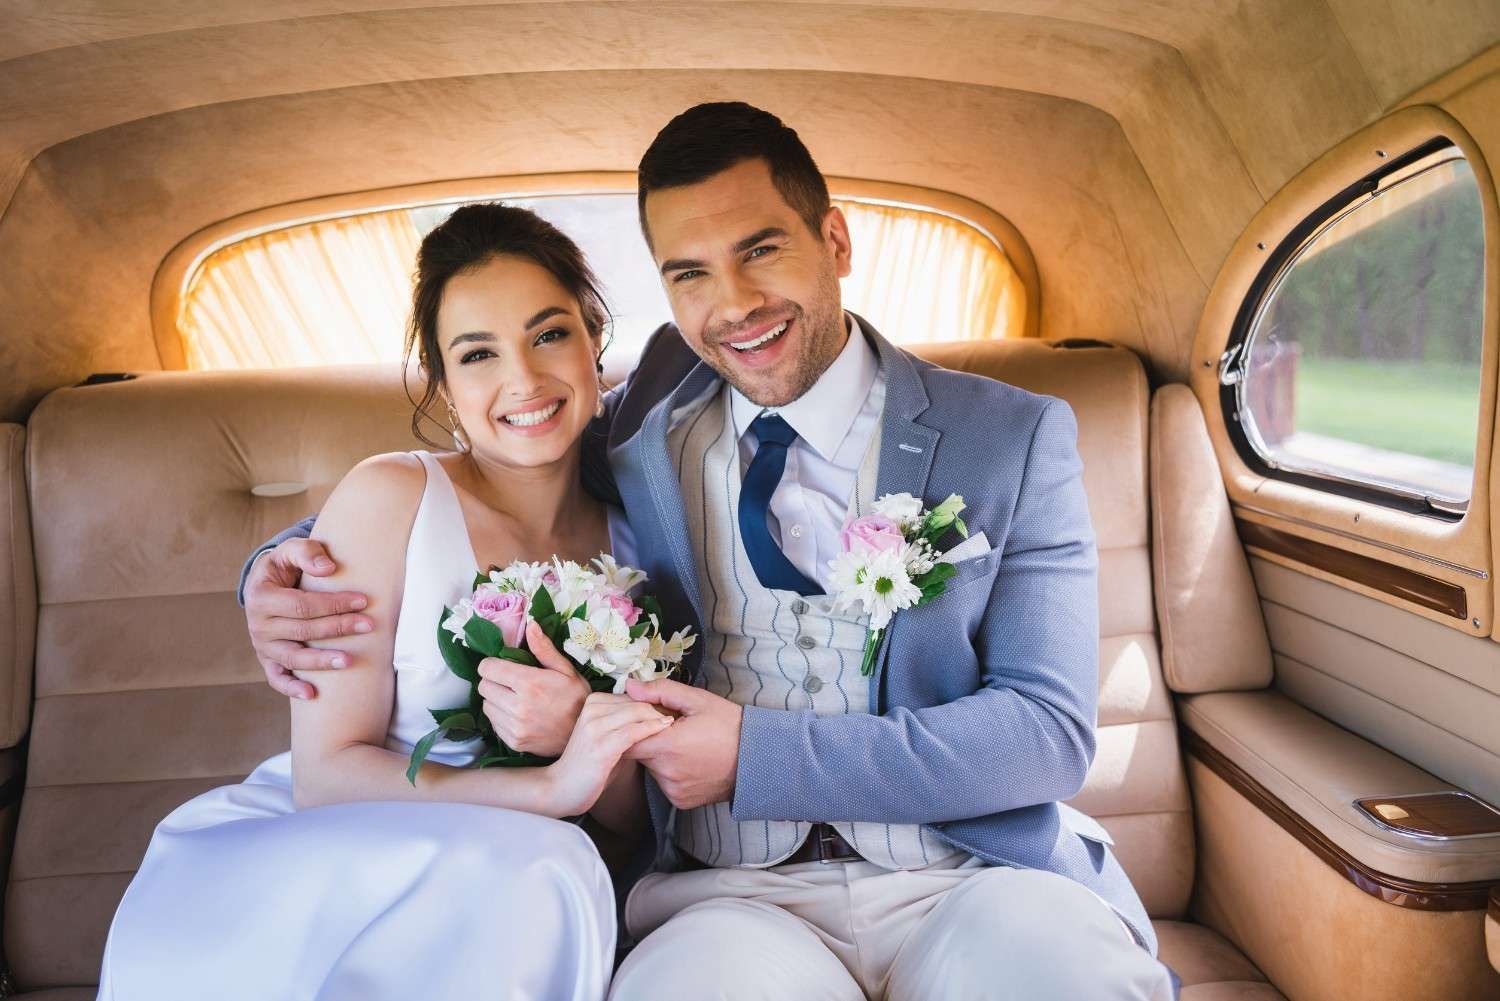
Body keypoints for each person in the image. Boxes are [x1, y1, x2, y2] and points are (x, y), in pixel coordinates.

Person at [244, 102, 1178, 999]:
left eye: (761, 249)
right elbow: (502, 472)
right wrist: (285, 567)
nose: (733, 304)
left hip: (973, 873)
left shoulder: (1008, 436)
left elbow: (1046, 738)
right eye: (689, 273)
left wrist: (755, 755)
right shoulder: (648, 417)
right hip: (727, 895)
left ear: (837, 243)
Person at [96, 205, 673, 1001]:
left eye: (549, 334)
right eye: (478, 353)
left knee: (547, 869)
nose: (524, 381)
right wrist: (544, 792)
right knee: (544, 863)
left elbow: (642, 822)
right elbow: (325, 776)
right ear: (441, 382)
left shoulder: (645, 533)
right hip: (352, 843)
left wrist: (581, 738)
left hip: (513, 886)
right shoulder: (390, 497)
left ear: (593, 338)